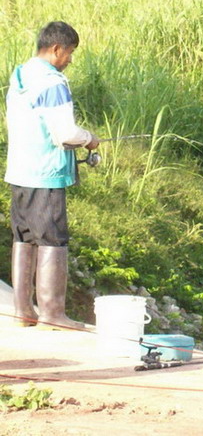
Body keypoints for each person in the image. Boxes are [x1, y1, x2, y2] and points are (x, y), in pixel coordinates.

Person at [4, 21, 99, 329]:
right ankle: (53, 314)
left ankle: (23, 311)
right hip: (46, 173)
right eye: (69, 52)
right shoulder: (53, 82)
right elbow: (66, 134)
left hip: (20, 170)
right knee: (52, 240)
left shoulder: (20, 75)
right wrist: (89, 138)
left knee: (25, 237)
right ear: (57, 49)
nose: (70, 59)